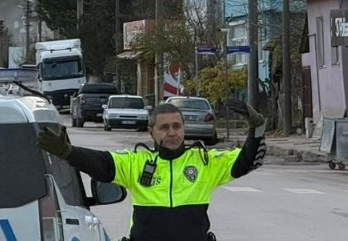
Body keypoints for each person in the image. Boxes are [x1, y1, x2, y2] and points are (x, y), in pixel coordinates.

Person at [38, 98, 265, 241]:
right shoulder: (137, 162)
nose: (172, 132)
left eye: (177, 126)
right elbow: (102, 164)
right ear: (152, 132)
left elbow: (247, 160)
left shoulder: (205, 162)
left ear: (184, 129)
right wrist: (67, 151)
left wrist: (257, 128)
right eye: (164, 127)